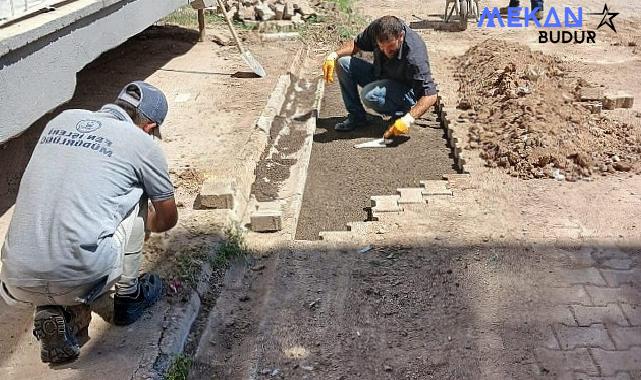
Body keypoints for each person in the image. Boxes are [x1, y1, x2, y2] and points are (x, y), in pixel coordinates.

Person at [0, 81, 178, 364]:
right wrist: (144, 227)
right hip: (82, 269)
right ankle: (129, 298)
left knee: (65, 203)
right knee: (137, 193)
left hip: (14, 275)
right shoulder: (142, 144)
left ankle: (62, 313)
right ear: (149, 127)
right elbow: (168, 217)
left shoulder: (61, 119)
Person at [322, 15, 438, 140]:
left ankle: (402, 113)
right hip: (381, 75)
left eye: (391, 49)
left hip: (404, 92)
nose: (386, 52)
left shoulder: (415, 55)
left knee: (370, 95)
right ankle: (357, 117)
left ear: (401, 36)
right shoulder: (377, 29)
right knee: (343, 63)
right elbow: (356, 44)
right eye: (381, 48)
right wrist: (333, 55)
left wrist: (408, 119)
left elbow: (430, 95)